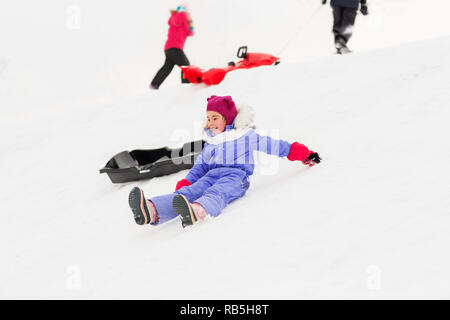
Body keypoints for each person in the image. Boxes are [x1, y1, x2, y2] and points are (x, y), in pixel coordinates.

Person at [128, 95, 322, 228]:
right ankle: (151, 210)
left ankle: (198, 211)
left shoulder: (245, 135)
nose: (210, 123)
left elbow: (276, 146)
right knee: (188, 192)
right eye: (208, 118)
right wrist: (187, 182)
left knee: (217, 192)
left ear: (227, 119)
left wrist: (303, 154)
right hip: (211, 175)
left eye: (215, 118)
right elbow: (201, 166)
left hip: (236, 177)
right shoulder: (211, 142)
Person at [150, 5, 194, 89]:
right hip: (174, 48)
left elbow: (190, 32)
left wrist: (190, 21)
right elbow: (177, 21)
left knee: (167, 67)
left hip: (172, 48)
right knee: (186, 65)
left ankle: (154, 84)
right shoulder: (176, 17)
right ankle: (186, 86)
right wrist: (182, 13)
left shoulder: (184, 23)